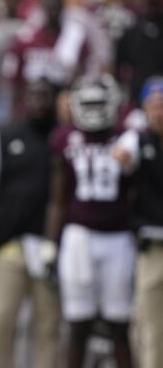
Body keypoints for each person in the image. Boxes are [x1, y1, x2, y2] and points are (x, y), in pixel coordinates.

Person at [0, 79, 61, 368]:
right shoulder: (4, 135)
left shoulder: (61, 137)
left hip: (48, 245)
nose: (39, 103)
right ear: (23, 99)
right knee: (1, 322)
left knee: (47, 326)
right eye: (33, 96)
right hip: (7, 243)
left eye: (45, 97)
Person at [46, 74, 133, 368]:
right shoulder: (65, 137)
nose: (94, 110)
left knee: (119, 322)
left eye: (99, 103)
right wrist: (51, 242)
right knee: (78, 322)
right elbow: (58, 197)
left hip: (119, 236)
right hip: (79, 235)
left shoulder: (126, 136)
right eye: (88, 103)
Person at [112, 76, 163, 368]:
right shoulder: (138, 138)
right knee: (151, 326)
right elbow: (121, 155)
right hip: (152, 244)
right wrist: (122, 156)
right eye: (154, 105)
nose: (159, 111)